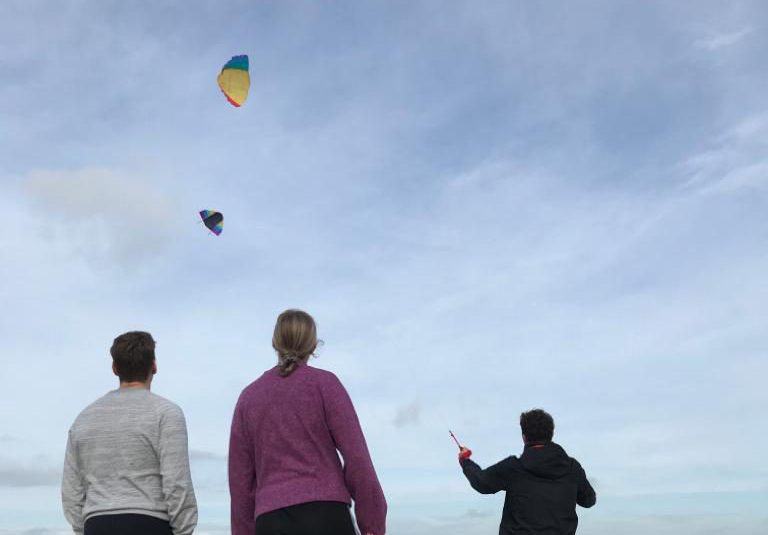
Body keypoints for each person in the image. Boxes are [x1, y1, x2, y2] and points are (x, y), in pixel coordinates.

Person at [229, 309, 387, 535]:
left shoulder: (249, 398)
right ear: (312, 345)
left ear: (275, 343)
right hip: (326, 515)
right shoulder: (325, 385)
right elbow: (357, 458)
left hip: (271, 520)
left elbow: (240, 483)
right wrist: (372, 524)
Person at [61, 331, 197, 535]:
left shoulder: (83, 419)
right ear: (154, 365)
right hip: (150, 523)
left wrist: (85, 528)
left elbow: (71, 490)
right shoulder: (166, 413)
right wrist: (183, 530)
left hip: (96, 523)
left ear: (114, 368)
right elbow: (177, 482)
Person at [458, 409, 595, 535]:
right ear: (551, 434)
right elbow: (588, 500)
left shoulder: (513, 468)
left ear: (524, 437)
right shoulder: (572, 469)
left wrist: (465, 461)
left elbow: (481, 482)